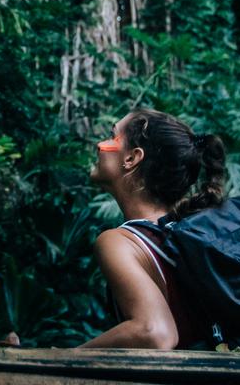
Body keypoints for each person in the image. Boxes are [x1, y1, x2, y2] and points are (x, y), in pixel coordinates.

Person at [79, 108, 225, 349]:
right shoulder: (189, 232)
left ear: (131, 158)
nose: (100, 144)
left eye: (112, 136)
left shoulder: (121, 242)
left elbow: (155, 332)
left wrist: (69, 356)